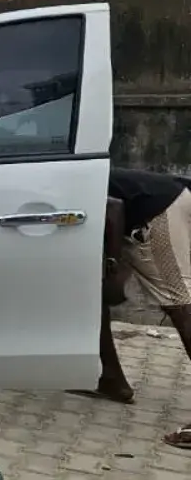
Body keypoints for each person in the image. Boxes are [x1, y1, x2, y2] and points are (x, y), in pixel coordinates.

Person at [93, 166, 191, 447]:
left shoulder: (53, 174)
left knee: (179, 304)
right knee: (92, 292)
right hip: (152, 206)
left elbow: (113, 207)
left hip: (158, 211)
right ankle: (111, 378)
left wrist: (112, 266)